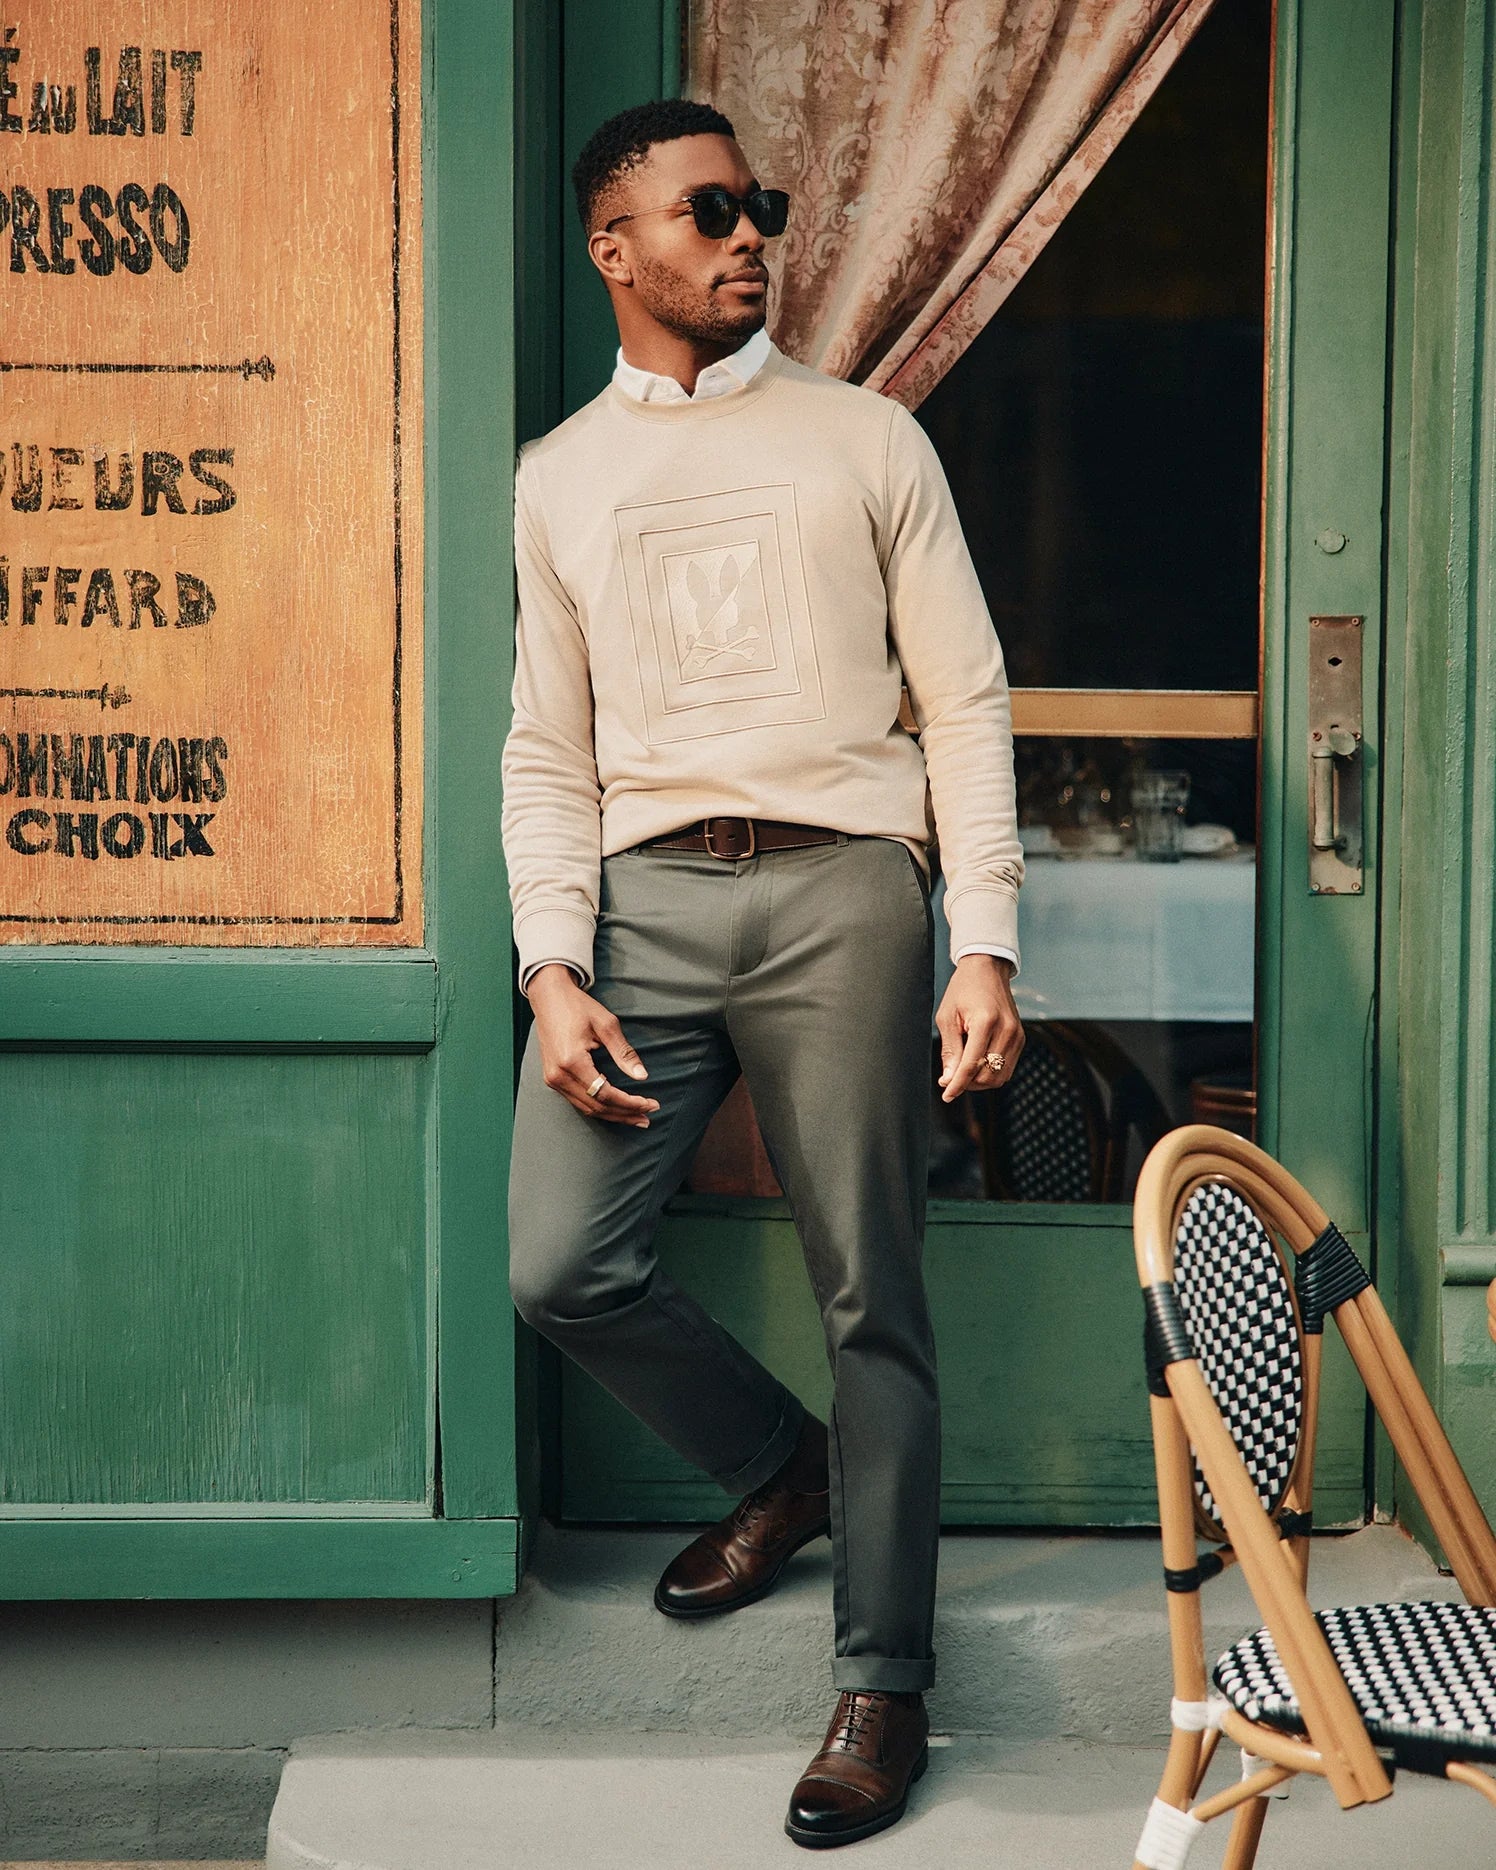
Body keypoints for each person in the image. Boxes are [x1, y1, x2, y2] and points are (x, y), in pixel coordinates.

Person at [500, 95, 1025, 1849]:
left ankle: (884, 1683)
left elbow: (962, 699)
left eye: (761, 209)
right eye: (707, 211)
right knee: (560, 1261)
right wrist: (552, 963)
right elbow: (545, 748)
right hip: (640, 905)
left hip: (841, 891)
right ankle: (781, 1466)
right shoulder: (561, 477)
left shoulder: (867, 440)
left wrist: (982, 933)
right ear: (614, 248)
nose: (750, 238)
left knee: (873, 1289)